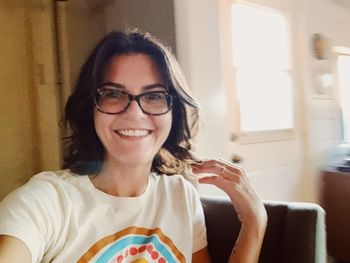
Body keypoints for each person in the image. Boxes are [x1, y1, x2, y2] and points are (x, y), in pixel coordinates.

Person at [0, 30, 267, 263]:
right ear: (90, 108)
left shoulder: (179, 195)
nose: (135, 114)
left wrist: (254, 224)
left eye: (154, 96)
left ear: (174, 112)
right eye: (114, 94)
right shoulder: (46, 202)